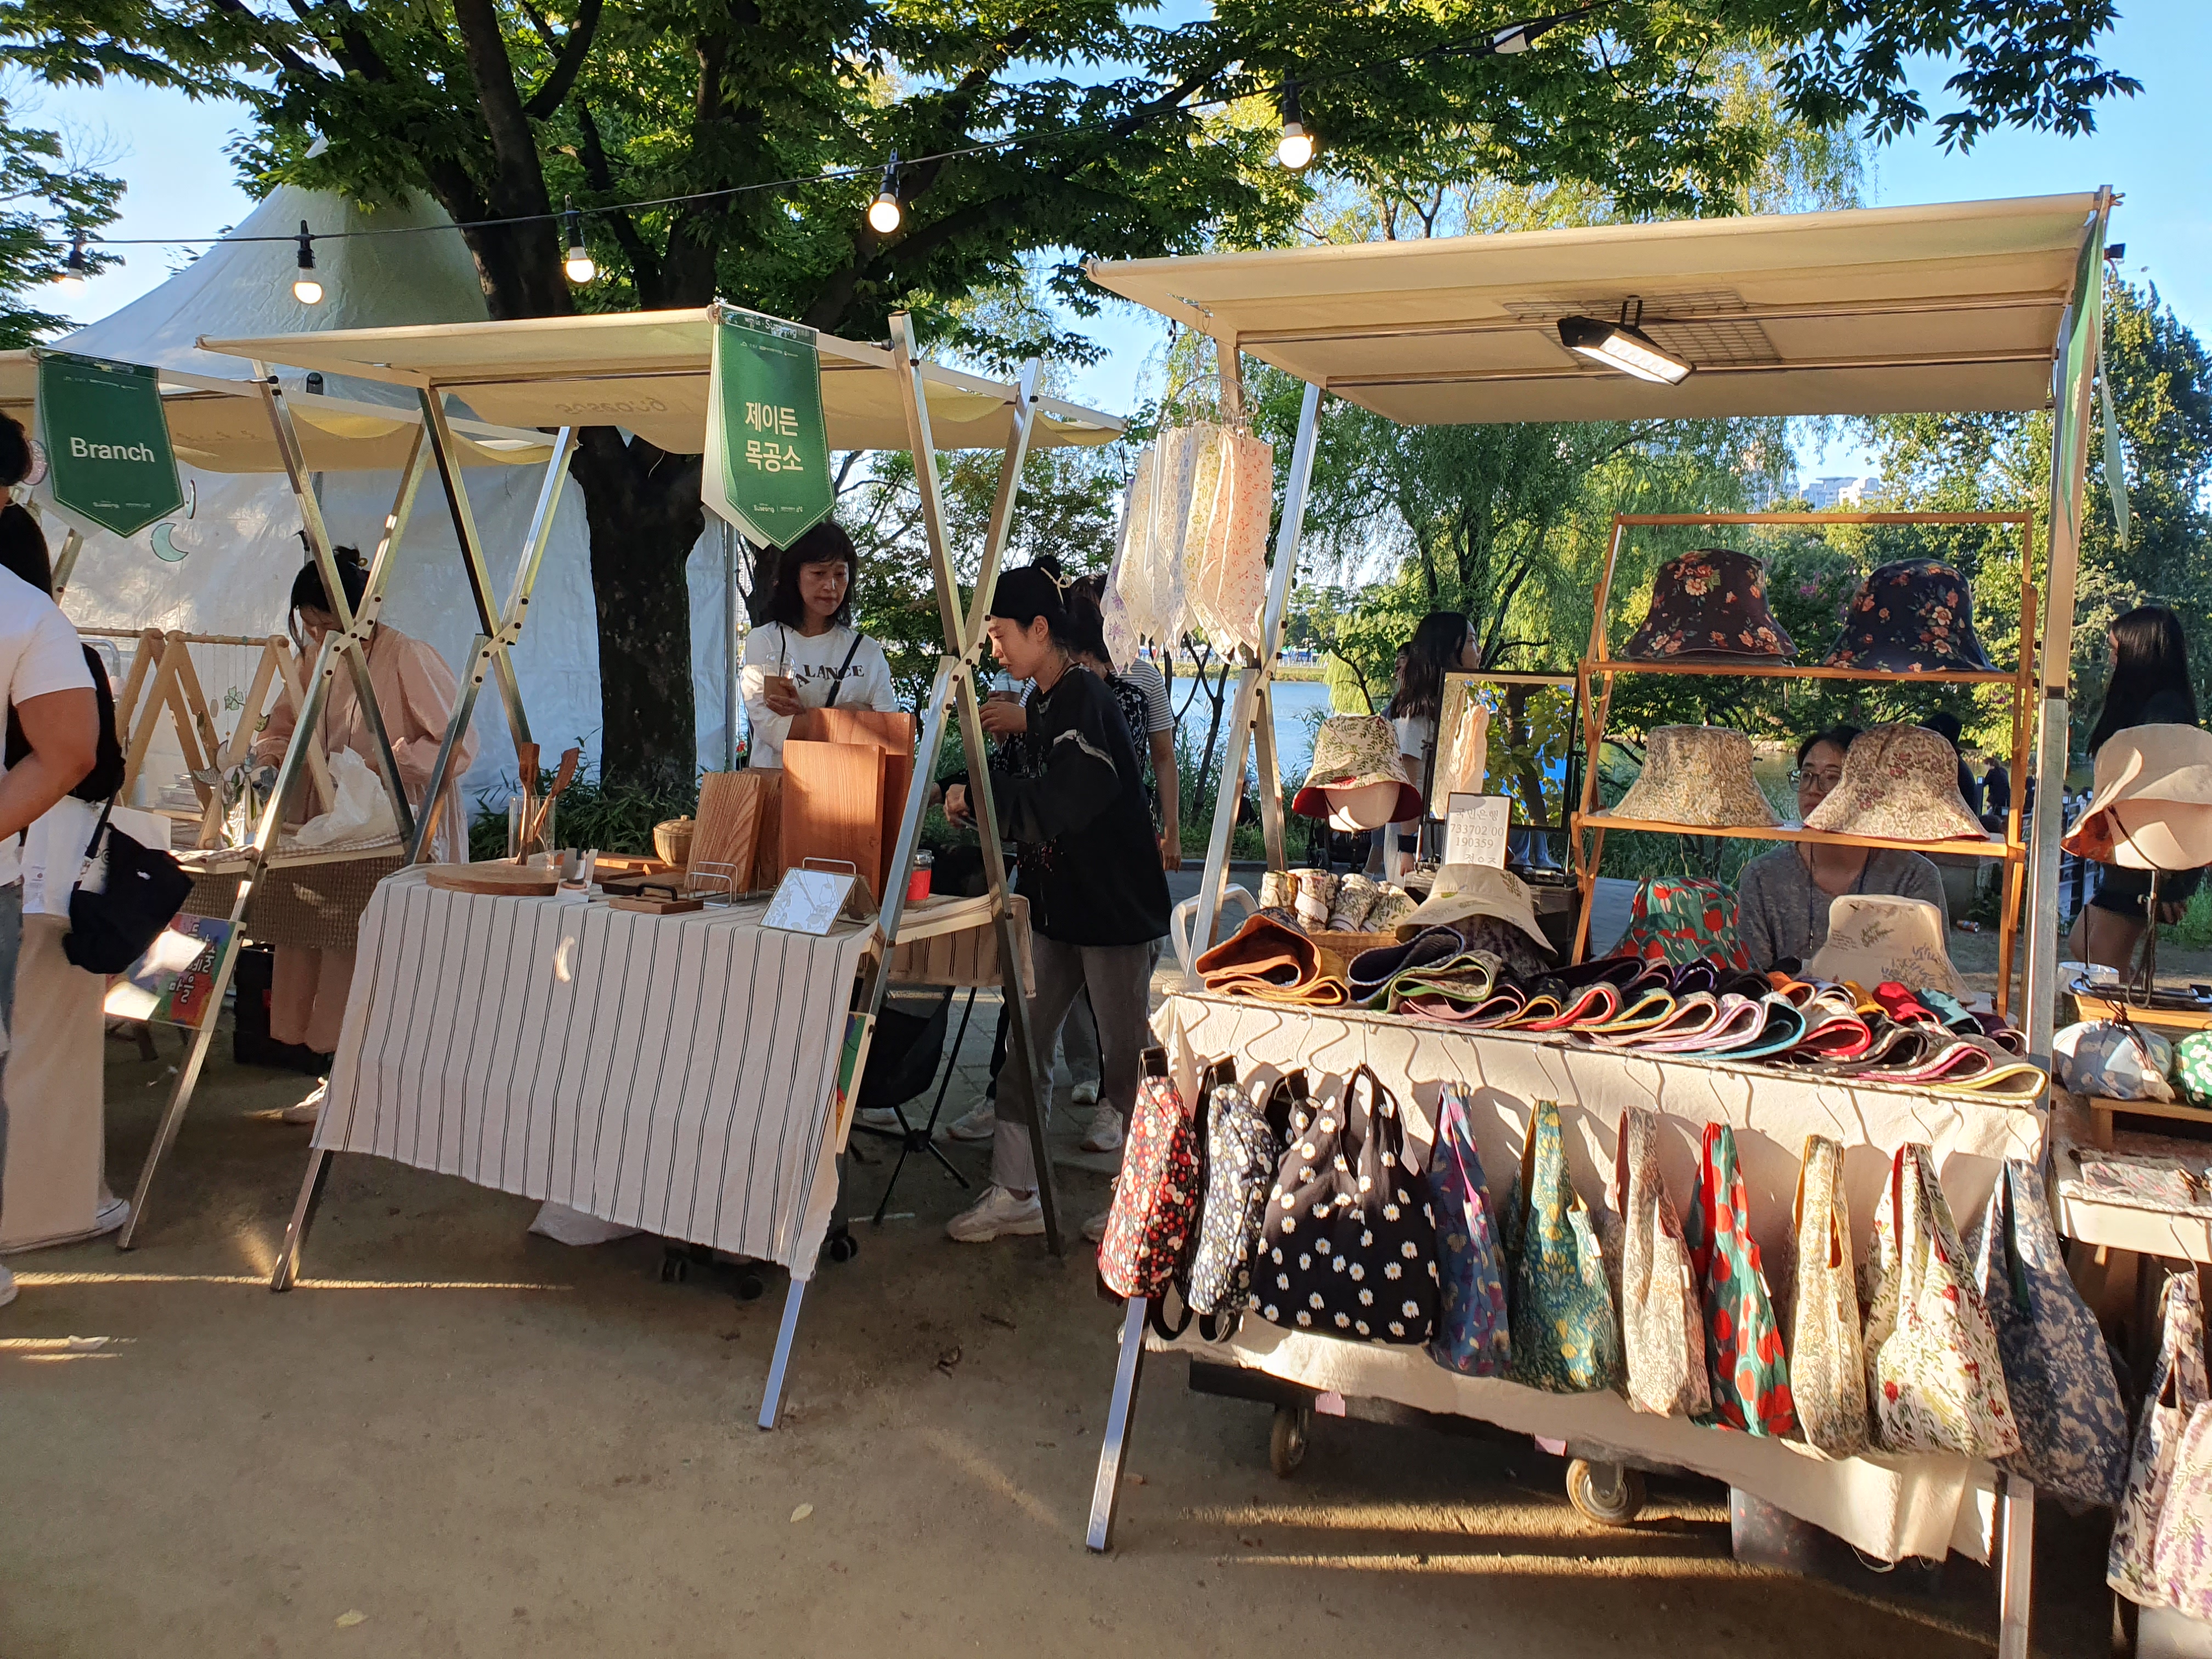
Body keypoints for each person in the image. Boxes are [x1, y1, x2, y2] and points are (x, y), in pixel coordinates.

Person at [936, 565, 1171, 1244]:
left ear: (1040, 629)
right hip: (1058, 905)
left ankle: (1149, 1204)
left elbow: (1063, 802)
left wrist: (985, 800)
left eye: (1001, 634)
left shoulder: (1086, 700)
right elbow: (1024, 790)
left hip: (1114, 912)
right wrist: (963, 788)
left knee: (1126, 1063)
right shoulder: (1046, 701)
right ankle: (1017, 1192)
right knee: (1024, 1043)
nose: (995, 649)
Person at [252, 549, 474, 1120]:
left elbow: (457, 745)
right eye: (308, 625)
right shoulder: (314, 658)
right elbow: (282, 725)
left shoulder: (405, 655)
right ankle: (339, 1077)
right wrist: (273, 759)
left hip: (396, 823)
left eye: (325, 622)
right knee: (329, 940)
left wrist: (382, 765)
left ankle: (382, 1082)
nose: (316, 634)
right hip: (330, 824)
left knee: (382, 948)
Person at [0, 505, 129, 1250]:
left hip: (28, 873)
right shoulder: (47, 636)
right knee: (48, 1054)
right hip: (46, 875)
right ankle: (58, 1207)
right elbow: (92, 764)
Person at [1734, 725, 1946, 973]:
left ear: (1869, 789)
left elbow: (1933, 980)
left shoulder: (1913, 877)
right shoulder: (1763, 877)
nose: (1813, 788)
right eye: (1807, 775)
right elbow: (1752, 981)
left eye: (1832, 777)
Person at [2068, 604, 2202, 969]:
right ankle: (2119, 1004)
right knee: (2085, 945)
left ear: (2139, 653)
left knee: (2101, 956)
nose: (2112, 660)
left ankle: (2123, 1008)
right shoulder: (2154, 707)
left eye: (2117, 650)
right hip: (2135, 854)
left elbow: (2169, 797)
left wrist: (2169, 878)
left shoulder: (2166, 712)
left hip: (2150, 858)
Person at [738, 522, 901, 769]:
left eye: (840, 574)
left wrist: (806, 716)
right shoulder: (766, 641)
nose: (830, 586)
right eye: (819, 574)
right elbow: (775, 731)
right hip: (778, 783)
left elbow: (887, 734)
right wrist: (854, 712)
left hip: (848, 786)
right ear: (795, 576)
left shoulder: (867, 651)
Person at [1380, 612, 1476, 875]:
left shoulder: (1461, 703)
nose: (1478, 651)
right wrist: (1408, 849)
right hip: (1415, 840)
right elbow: (1408, 782)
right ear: (1449, 649)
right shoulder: (1415, 712)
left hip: (1443, 834)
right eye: (1470, 642)